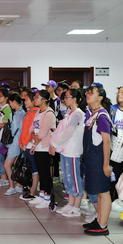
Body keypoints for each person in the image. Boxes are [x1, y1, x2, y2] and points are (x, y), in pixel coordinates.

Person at [82, 85, 113, 235]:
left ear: (100, 97)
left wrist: (106, 164)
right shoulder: (92, 114)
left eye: (92, 93)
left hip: (99, 159)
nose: (88, 94)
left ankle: (103, 225)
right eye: (87, 92)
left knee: (104, 192)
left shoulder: (102, 116)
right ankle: (99, 219)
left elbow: (106, 141)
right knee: (98, 192)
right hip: (91, 159)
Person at [51, 88, 86, 217]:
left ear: (75, 99)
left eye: (67, 97)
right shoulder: (69, 113)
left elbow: (68, 132)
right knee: (67, 177)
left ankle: (76, 207)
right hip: (65, 149)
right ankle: (70, 204)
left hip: (73, 151)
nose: (65, 100)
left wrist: (55, 144)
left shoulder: (77, 114)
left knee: (74, 179)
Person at [27, 89, 57, 210]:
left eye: (37, 97)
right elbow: (32, 128)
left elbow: (43, 133)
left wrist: (35, 142)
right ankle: (42, 195)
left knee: (45, 173)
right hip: (37, 145)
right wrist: (34, 138)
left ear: (44, 100)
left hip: (44, 146)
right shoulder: (38, 112)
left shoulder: (49, 113)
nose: (35, 99)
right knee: (40, 171)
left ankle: (47, 198)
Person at [18, 91, 40, 200]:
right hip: (25, 145)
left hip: (31, 145)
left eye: (27, 100)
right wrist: (20, 143)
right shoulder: (28, 112)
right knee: (29, 168)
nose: (24, 102)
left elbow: (31, 131)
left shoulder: (35, 113)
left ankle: (32, 192)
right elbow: (24, 130)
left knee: (34, 170)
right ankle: (30, 189)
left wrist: (25, 143)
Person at [4, 94, 26, 196]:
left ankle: (12, 186)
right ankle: (18, 185)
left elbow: (21, 130)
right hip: (18, 142)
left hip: (16, 143)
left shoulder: (19, 114)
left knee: (7, 165)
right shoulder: (20, 113)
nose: (10, 104)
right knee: (16, 164)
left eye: (10, 102)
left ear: (14, 102)